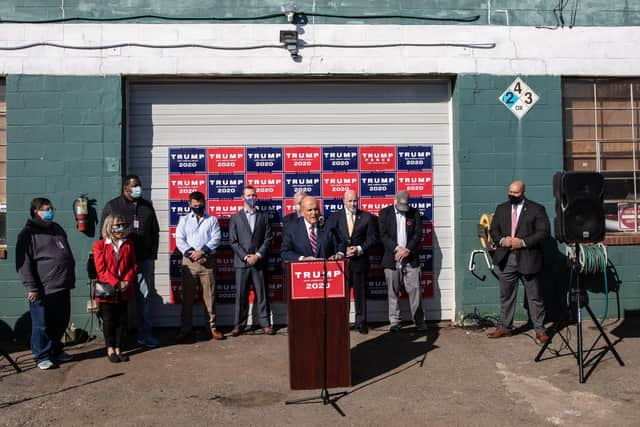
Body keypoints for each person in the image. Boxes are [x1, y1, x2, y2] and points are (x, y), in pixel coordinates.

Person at [16, 198, 76, 370]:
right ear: (36, 211)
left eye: (51, 208)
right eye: (47, 209)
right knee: (42, 324)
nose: (51, 211)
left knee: (60, 321)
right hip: (42, 288)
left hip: (62, 285)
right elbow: (24, 263)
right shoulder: (28, 234)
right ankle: (41, 355)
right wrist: (31, 287)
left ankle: (56, 350)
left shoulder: (56, 228)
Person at [487, 180, 550, 344]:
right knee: (506, 295)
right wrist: (502, 240)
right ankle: (505, 327)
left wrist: (522, 242)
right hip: (507, 258)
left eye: (515, 193)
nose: (512, 195)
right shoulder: (502, 208)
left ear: (523, 192)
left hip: (528, 258)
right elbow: (493, 230)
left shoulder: (537, 209)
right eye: (510, 192)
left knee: (534, 296)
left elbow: (543, 232)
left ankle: (540, 330)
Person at [101, 174, 160, 348]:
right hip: (120, 263)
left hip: (142, 261)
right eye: (134, 186)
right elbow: (104, 235)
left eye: (139, 185)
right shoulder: (113, 206)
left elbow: (155, 231)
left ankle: (145, 335)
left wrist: (152, 254)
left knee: (144, 298)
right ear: (125, 188)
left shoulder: (147, 206)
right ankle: (120, 340)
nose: (138, 189)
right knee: (119, 301)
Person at [326, 190, 378, 334]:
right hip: (340, 263)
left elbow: (373, 238)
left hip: (360, 261)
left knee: (360, 294)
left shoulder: (366, 217)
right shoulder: (335, 217)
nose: (353, 204)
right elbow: (328, 238)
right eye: (350, 201)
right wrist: (338, 253)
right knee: (342, 295)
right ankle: (343, 323)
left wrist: (359, 249)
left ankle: (361, 323)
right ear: (344, 201)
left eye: (355, 201)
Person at [175, 191, 223, 341]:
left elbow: (216, 239)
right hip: (189, 264)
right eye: (194, 205)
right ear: (189, 204)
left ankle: (212, 328)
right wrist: (192, 254)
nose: (198, 207)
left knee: (210, 297)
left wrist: (202, 252)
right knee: (187, 298)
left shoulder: (212, 220)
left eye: (200, 205)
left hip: (207, 263)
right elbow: (179, 239)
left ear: (204, 202)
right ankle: (185, 329)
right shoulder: (183, 220)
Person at [229, 186, 274, 336]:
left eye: (254, 195)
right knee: (241, 296)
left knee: (262, 294)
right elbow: (233, 241)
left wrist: (258, 255)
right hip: (242, 263)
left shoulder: (264, 217)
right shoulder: (235, 217)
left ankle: (265, 323)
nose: (251, 198)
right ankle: (238, 325)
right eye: (248, 195)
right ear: (242, 197)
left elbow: (268, 239)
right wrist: (245, 256)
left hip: (259, 262)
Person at [379, 191, 426, 332]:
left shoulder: (415, 213)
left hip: (411, 259)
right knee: (393, 291)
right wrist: (397, 249)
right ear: (395, 201)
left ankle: (419, 321)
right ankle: (395, 322)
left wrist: (408, 250)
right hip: (391, 259)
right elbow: (383, 235)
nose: (404, 209)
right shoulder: (384, 213)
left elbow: (418, 234)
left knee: (415, 291)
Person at [93, 214, 136, 363]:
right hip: (108, 289)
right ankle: (110, 348)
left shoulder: (128, 243)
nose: (120, 229)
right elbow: (101, 270)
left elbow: (133, 265)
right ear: (109, 227)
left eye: (122, 225)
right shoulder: (99, 245)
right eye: (117, 226)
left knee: (122, 320)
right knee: (109, 320)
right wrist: (117, 282)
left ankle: (119, 347)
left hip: (125, 288)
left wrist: (127, 280)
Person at [281, 195, 345, 261]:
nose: (313, 213)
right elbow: (285, 252)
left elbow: (341, 242)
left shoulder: (329, 224)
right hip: (303, 269)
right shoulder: (292, 228)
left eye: (316, 209)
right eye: (310, 210)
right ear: (302, 212)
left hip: (327, 268)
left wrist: (340, 254)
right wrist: (302, 259)